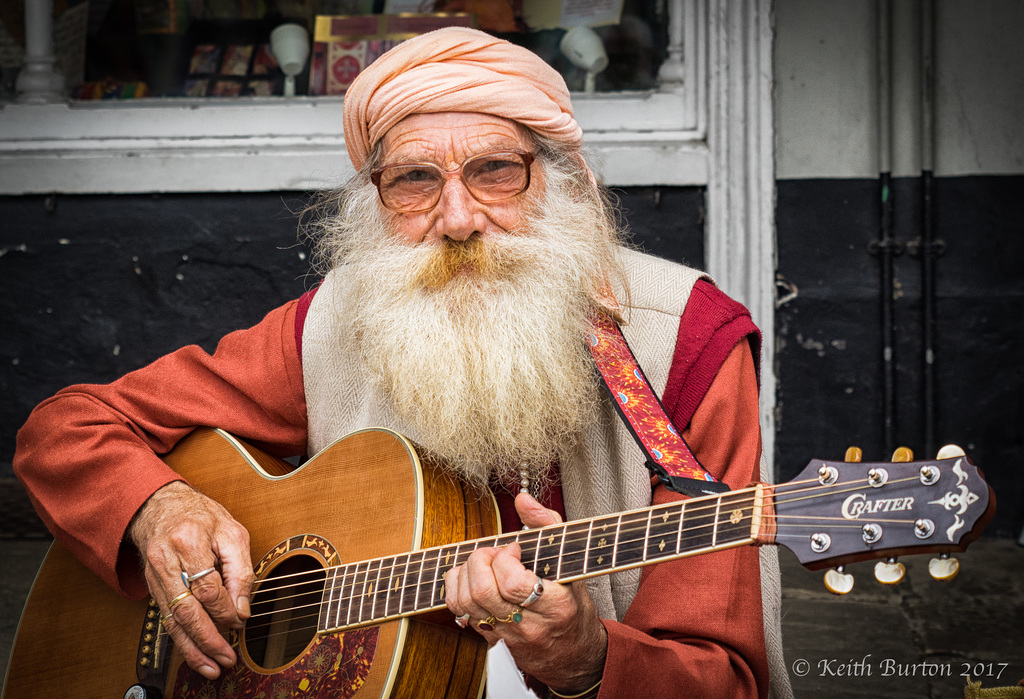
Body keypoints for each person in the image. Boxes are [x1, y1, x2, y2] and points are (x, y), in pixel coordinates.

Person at [14, 27, 786, 699]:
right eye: (414, 181)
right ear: (375, 205)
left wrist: (586, 656)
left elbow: (721, 677)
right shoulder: (339, 322)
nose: (456, 220)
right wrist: (159, 508)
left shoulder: (685, 340)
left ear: (567, 183)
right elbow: (67, 428)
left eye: (495, 171)